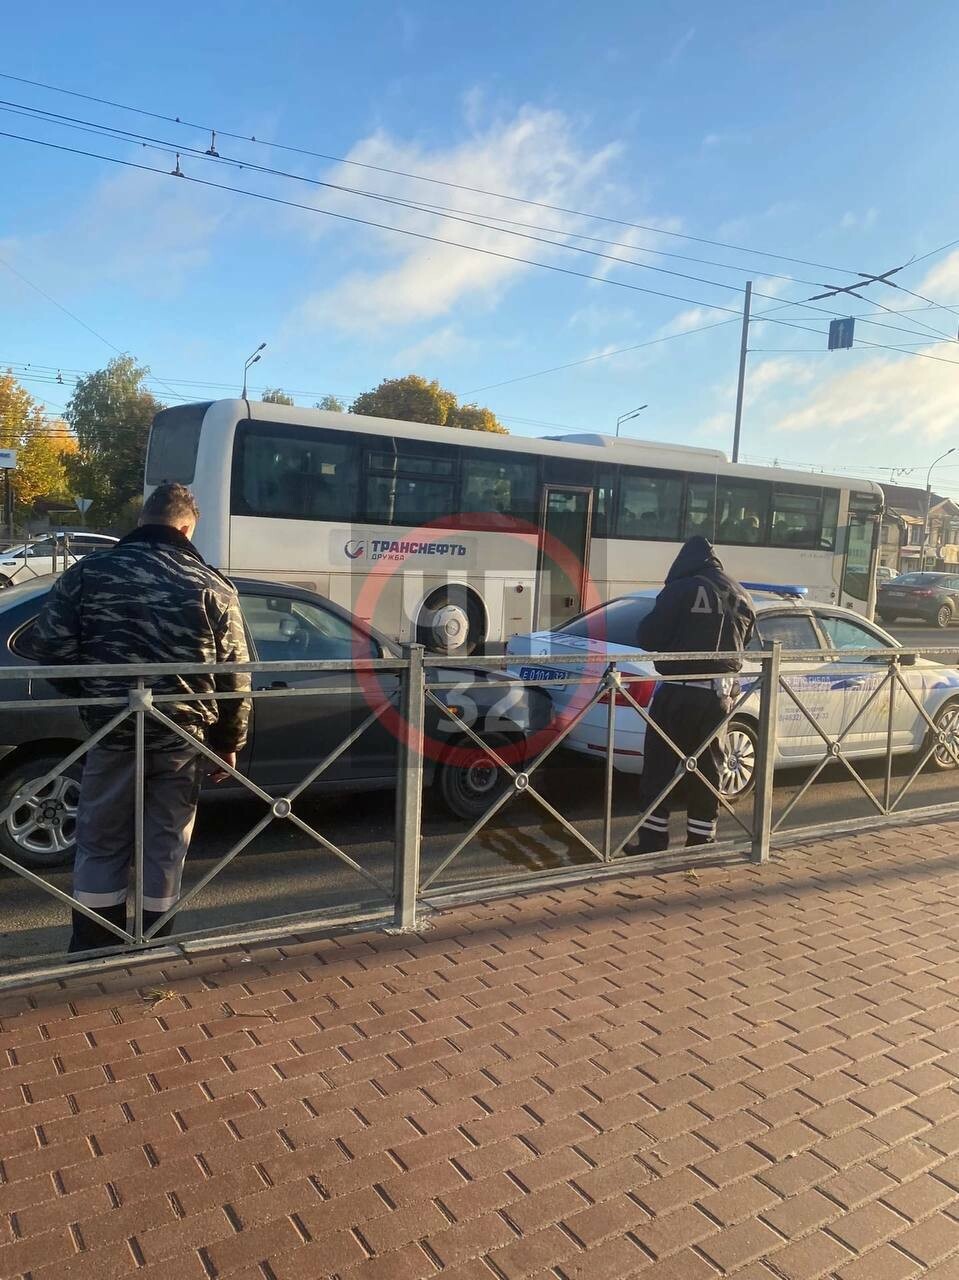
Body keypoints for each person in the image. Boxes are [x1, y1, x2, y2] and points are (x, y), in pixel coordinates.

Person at [29, 482, 251, 952]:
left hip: (111, 734)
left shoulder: (87, 574)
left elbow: (49, 648)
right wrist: (229, 741)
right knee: (166, 843)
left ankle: (94, 946)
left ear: (141, 521)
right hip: (181, 739)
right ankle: (152, 943)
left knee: (101, 839)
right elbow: (235, 676)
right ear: (188, 526)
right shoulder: (212, 585)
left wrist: (94, 697)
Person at [627, 535, 755, 853]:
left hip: (678, 692)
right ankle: (701, 839)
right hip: (720, 697)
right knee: (708, 769)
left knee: (659, 766)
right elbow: (746, 638)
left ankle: (653, 840)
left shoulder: (682, 588)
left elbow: (647, 635)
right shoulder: (741, 593)